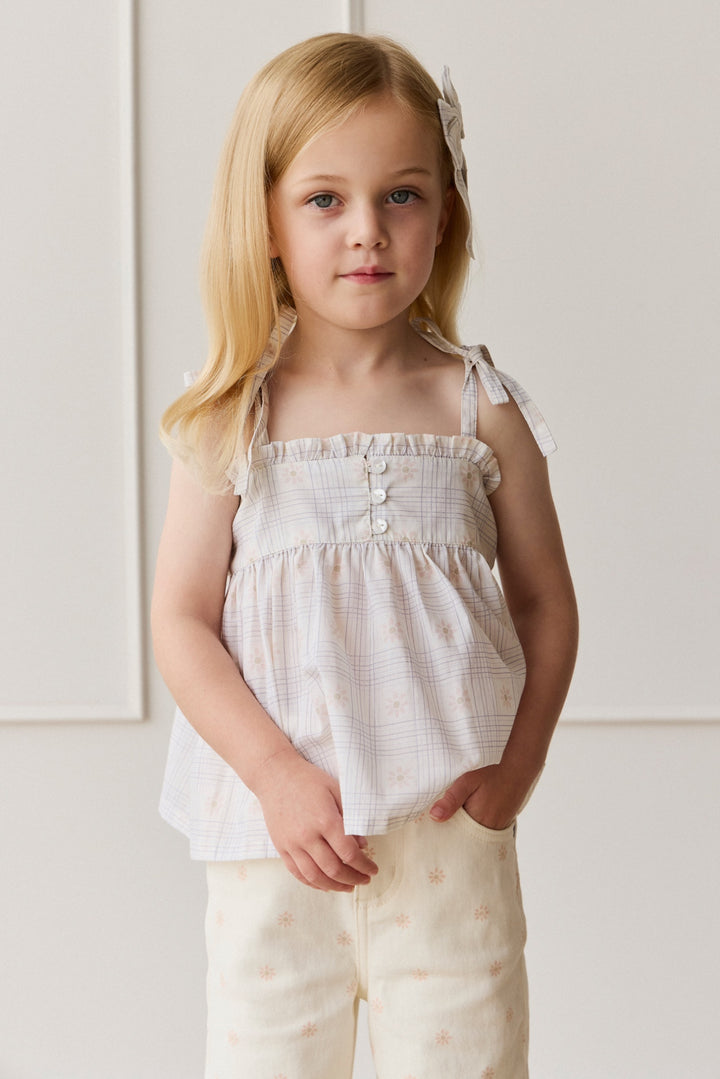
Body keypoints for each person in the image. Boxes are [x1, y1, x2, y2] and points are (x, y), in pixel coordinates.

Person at [152, 31, 578, 1079]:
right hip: (276, 846)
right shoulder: (233, 415)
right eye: (324, 199)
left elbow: (545, 602)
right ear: (265, 220)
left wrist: (517, 767)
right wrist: (275, 775)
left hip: (449, 848)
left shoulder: (480, 407)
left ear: (446, 211)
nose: (367, 231)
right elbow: (181, 620)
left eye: (402, 195)